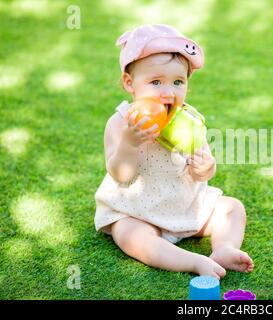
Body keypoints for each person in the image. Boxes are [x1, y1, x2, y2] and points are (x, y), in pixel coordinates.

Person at [94, 24, 254, 279]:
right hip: (138, 211)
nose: (168, 92)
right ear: (129, 82)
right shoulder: (122, 123)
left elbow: (203, 169)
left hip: (185, 205)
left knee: (231, 208)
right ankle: (190, 261)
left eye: (178, 82)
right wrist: (130, 142)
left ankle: (224, 248)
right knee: (127, 233)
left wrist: (205, 167)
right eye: (156, 81)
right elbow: (120, 175)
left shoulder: (188, 121)